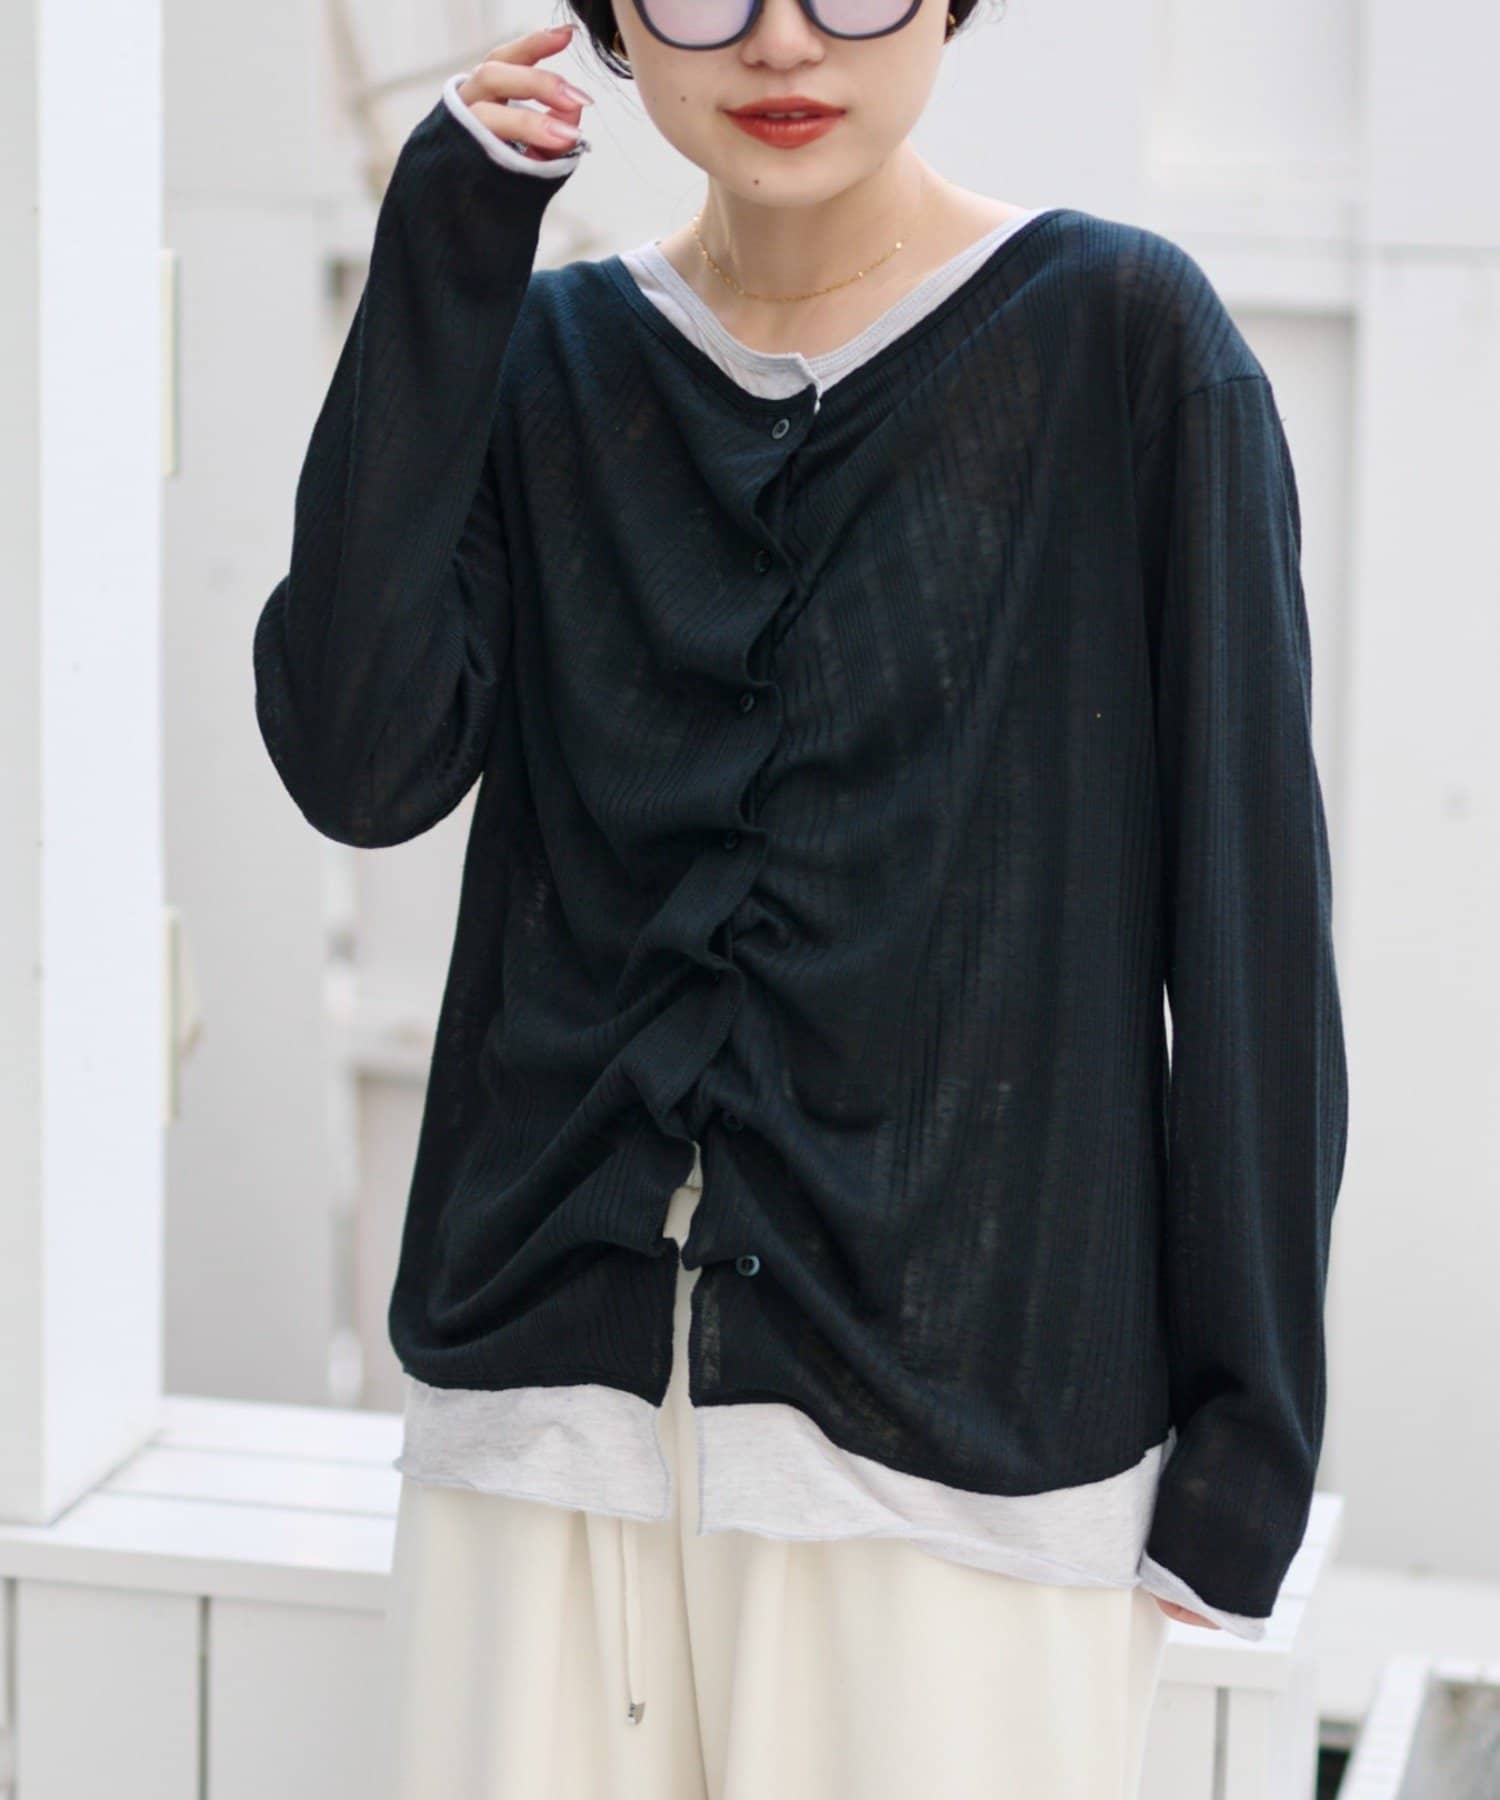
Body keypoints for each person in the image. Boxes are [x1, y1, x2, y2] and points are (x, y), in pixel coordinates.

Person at [251, 4, 1349, 1795]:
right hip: (540, 1444)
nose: (779, 40)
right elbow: (360, 763)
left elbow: (1249, 928)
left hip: (961, 1472)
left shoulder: (1126, 343)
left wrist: (1247, 1444)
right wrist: (447, 250)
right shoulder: (549, 360)